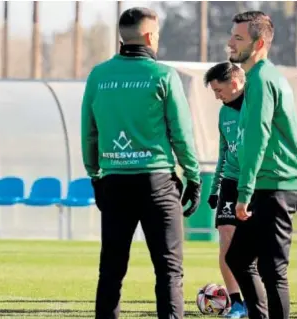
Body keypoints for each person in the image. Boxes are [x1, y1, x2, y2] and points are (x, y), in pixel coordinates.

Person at [81, 7, 202, 318]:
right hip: (157, 183)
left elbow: (89, 132)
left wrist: (95, 176)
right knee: (169, 271)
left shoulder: (99, 75)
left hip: (115, 181)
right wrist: (193, 176)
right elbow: (181, 132)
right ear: (150, 36)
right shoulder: (162, 75)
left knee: (111, 269)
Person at [225, 11, 297, 319]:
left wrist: (244, 191)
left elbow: (257, 138)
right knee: (239, 258)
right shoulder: (255, 78)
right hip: (264, 185)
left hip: (274, 186)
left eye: (238, 38)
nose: (230, 43)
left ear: (260, 44)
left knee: (273, 271)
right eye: (232, 36)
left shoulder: (263, 80)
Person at [204, 61, 248, 318]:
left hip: (258, 183)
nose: (217, 96)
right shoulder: (223, 114)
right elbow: (223, 151)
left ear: (234, 83)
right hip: (230, 183)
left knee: (260, 248)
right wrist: (214, 188)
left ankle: (258, 299)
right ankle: (237, 302)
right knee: (226, 242)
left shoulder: (257, 105)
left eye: (219, 90)